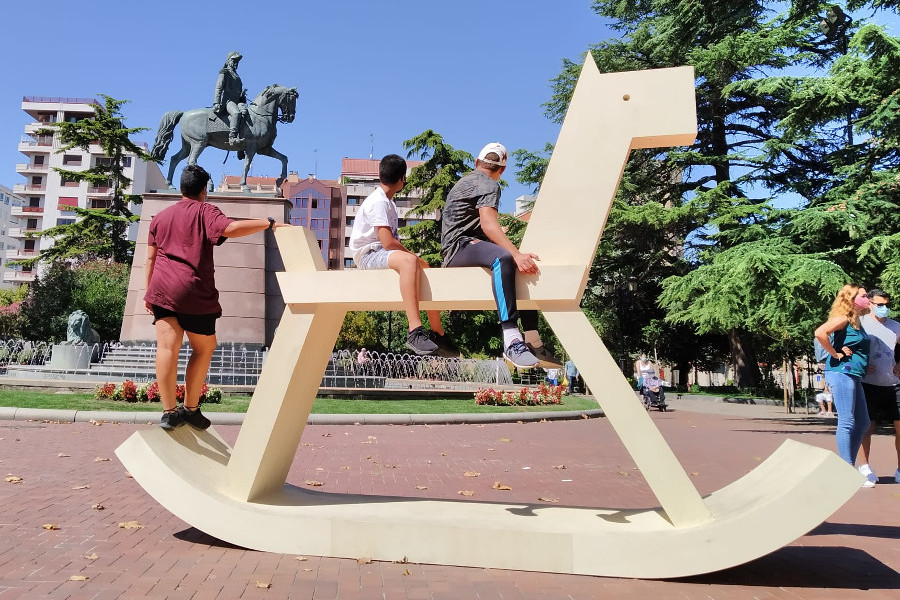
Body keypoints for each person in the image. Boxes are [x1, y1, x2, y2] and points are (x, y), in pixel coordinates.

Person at [144, 164, 288, 430]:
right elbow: (230, 229)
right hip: (195, 292)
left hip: (162, 290)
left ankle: (168, 412)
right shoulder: (206, 211)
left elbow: (150, 258)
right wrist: (267, 223)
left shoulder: (160, 217)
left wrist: (148, 293)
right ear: (203, 190)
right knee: (204, 347)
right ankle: (190, 408)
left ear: (181, 188)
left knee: (167, 348)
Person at [440, 142, 560, 369]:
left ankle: (533, 340)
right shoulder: (488, 184)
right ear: (502, 170)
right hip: (458, 248)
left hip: (459, 245)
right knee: (504, 258)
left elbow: (472, 223)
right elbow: (487, 224)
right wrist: (514, 252)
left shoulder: (465, 181)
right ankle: (512, 339)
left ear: (477, 163)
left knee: (519, 265)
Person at [348, 154, 455, 356]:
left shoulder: (387, 202)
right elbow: (388, 242)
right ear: (402, 179)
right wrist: (413, 257)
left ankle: (437, 332)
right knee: (410, 261)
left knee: (422, 267)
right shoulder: (379, 202)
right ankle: (414, 330)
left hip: (381, 252)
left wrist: (416, 260)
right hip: (368, 255)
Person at [814, 283, 872, 481]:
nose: (867, 298)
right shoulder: (843, 319)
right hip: (841, 373)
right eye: (863, 295)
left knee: (863, 422)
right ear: (851, 299)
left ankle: (846, 465)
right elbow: (820, 332)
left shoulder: (857, 322)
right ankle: (846, 468)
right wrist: (835, 353)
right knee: (847, 421)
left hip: (854, 374)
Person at [859, 289, 900, 485]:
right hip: (869, 385)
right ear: (870, 304)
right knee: (867, 428)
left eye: (886, 304)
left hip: (894, 384)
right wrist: (862, 365)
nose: (884, 308)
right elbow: (849, 348)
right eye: (880, 305)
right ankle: (865, 467)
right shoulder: (861, 324)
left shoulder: (896, 327)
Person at [213, 51, 247, 146]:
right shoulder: (225, 72)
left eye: (237, 61)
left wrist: (242, 96)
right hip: (228, 101)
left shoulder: (236, 75)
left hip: (237, 101)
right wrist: (216, 102)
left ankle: (241, 142)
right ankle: (232, 137)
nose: (236, 63)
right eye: (234, 60)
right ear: (228, 60)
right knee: (236, 113)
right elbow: (218, 88)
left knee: (246, 113)